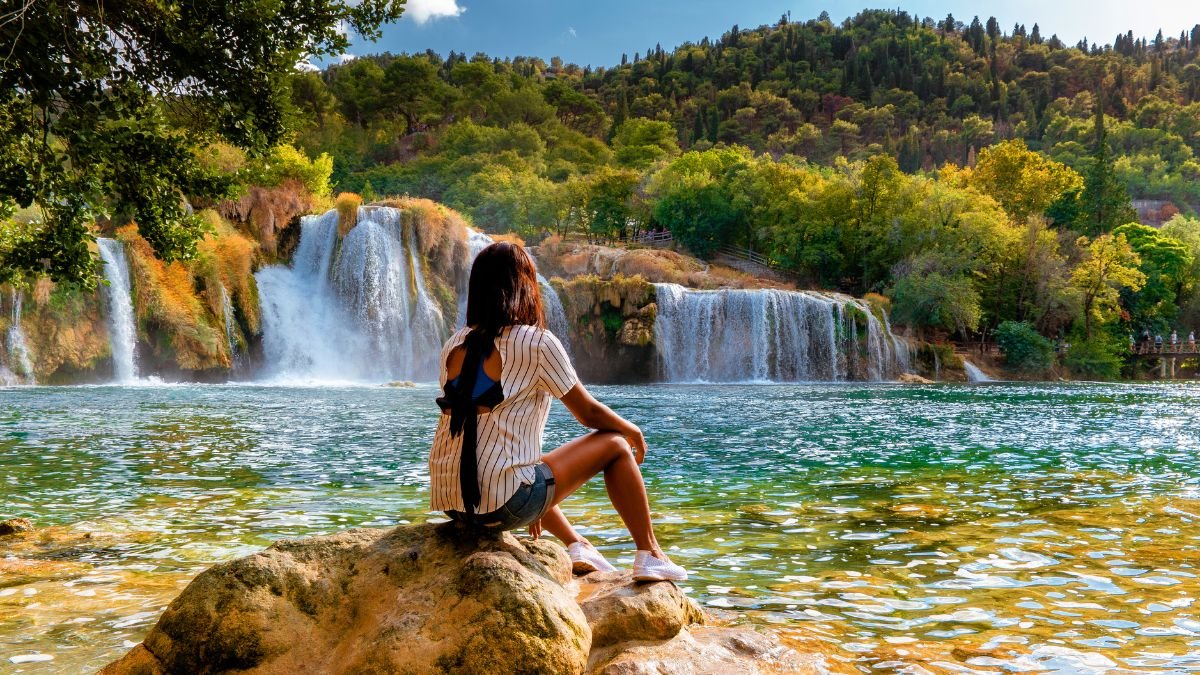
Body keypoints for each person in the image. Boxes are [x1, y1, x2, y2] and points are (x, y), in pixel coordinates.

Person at [429, 242, 686, 582]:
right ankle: (650, 554)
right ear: (525, 285)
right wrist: (631, 429)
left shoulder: (455, 343)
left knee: (536, 463)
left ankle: (577, 544)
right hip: (502, 505)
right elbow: (589, 413)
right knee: (614, 444)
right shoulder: (536, 343)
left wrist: (537, 486)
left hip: (454, 504)